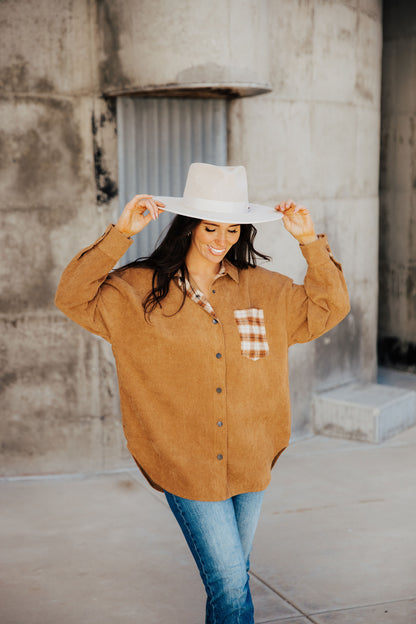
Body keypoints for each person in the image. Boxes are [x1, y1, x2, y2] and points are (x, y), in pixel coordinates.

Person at [55, 162, 350, 623]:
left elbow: (330, 307)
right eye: (211, 227)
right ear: (189, 226)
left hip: (252, 460)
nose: (221, 239)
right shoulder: (137, 292)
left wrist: (309, 242)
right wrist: (120, 233)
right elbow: (71, 296)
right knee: (231, 584)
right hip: (186, 462)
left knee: (230, 580)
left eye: (233, 229)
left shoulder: (264, 290)